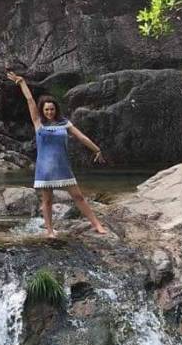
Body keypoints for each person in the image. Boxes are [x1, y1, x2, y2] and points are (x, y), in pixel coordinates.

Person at [7, 70, 108, 239]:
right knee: (47, 201)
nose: (49, 112)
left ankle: (97, 225)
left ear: (56, 109)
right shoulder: (38, 123)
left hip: (63, 167)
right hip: (45, 169)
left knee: (78, 196)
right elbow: (30, 100)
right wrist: (22, 83)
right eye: (46, 109)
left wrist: (96, 149)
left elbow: (81, 136)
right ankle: (49, 230)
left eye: (52, 109)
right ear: (42, 110)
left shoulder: (64, 123)